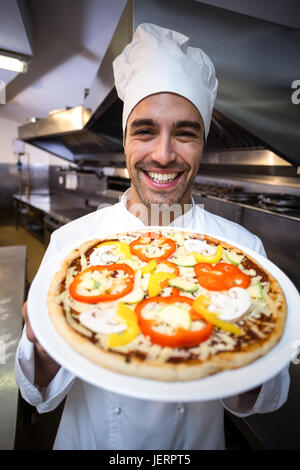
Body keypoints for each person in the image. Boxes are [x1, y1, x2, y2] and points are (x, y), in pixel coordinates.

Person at [16, 23, 290, 450]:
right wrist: (47, 345)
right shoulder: (72, 244)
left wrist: (245, 352)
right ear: (125, 140)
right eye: (145, 130)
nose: (163, 154)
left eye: (184, 132)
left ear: (202, 145)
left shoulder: (242, 252)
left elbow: (258, 400)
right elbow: (39, 395)